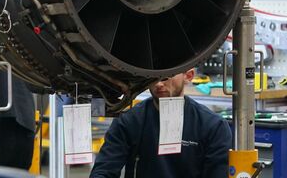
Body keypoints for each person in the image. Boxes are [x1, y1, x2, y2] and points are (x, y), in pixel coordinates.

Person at [90, 69, 231, 178]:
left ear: (188, 76)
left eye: (166, 77)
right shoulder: (129, 121)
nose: (158, 84)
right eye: (153, 78)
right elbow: (104, 169)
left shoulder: (212, 126)